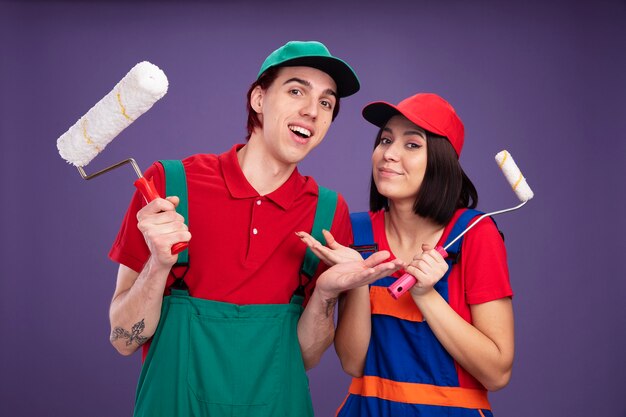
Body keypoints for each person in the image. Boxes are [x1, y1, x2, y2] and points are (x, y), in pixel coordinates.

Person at [107, 40, 403, 417]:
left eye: (327, 103)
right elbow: (123, 340)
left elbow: (305, 358)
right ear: (259, 99)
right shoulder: (170, 185)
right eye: (296, 90)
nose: (312, 111)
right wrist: (159, 264)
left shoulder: (327, 213)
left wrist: (325, 295)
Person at [298, 93, 514, 416]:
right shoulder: (356, 231)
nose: (389, 154)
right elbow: (353, 363)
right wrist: (359, 278)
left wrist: (426, 296)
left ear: (441, 161)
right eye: (385, 140)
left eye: (412, 145)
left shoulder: (475, 234)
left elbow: (497, 372)